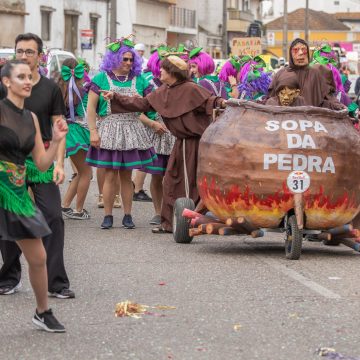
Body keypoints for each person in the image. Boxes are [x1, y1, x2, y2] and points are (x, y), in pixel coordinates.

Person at [101, 56, 226, 233]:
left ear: (172, 73)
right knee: (171, 181)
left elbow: (210, 101)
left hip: (197, 144)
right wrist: (116, 97)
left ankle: (192, 222)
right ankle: (170, 222)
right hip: (181, 143)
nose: (159, 72)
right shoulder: (163, 91)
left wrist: (221, 102)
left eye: (163, 69)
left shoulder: (191, 88)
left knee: (191, 182)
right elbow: (142, 103)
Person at [0, 33, 74, 299]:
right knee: (9, 217)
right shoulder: (4, 87)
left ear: (40, 56)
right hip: (9, 161)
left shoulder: (50, 89)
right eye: (19, 51)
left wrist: (59, 164)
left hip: (39, 156)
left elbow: (59, 128)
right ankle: (9, 277)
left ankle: (57, 283)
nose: (23, 56)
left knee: (53, 215)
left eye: (29, 52)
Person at [86, 36, 156, 230]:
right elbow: (91, 109)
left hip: (133, 130)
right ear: (114, 59)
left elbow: (151, 104)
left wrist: (142, 101)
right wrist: (93, 131)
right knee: (109, 175)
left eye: (131, 59)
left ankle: (127, 215)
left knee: (127, 176)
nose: (128, 63)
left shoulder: (140, 80)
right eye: (124, 59)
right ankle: (108, 215)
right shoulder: (101, 78)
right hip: (109, 129)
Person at [58, 58, 92, 219]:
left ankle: (65, 206)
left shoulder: (59, 89)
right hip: (78, 132)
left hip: (67, 132)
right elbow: (91, 111)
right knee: (86, 173)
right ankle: (78, 210)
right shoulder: (83, 91)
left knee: (80, 172)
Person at [269, 38, 330, 107]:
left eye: (303, 49)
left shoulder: (315, 73)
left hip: (310, 116)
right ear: (290, 54)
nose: (300, 53)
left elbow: (327, 98)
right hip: (286, 116)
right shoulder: (281, 74)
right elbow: (271, 99)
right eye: (296, 50)